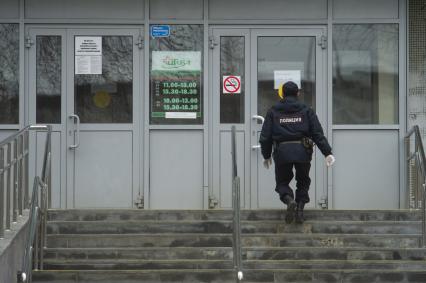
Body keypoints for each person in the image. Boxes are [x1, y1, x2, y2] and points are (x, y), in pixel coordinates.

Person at [259, 81, 335, 224]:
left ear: (282, 93)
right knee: (303, 181)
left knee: (282, 182)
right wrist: (327, 152)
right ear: (298, 93)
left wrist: (266, 155)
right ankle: (299, 211)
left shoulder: (273, 111)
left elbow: (265, 137)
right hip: (303, 152)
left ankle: (289, 200)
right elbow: (317, 133)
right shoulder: (306, 110)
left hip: (282, 152)